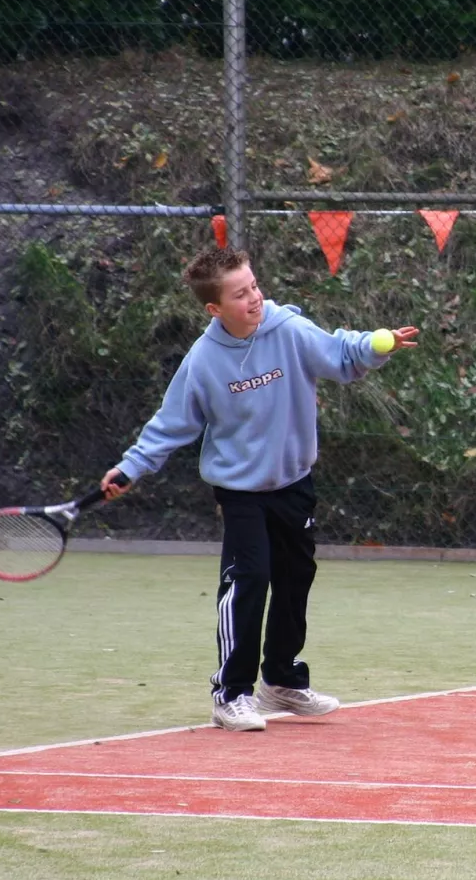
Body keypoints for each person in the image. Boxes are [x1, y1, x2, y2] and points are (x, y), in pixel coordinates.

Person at [100, 245, 418, 730]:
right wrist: (132, 467)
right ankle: (230, 693)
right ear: (214, 308)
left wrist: (380, 345)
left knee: (295, 580)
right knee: (249, 582)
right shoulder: (204, 361)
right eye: (240, 294)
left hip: (295, 482)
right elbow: (171, 424)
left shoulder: (287, 330)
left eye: (254, 286)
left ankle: (282, 681)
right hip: (241, 491)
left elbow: (338, 352)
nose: (254, 298)